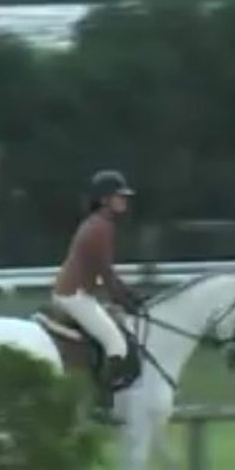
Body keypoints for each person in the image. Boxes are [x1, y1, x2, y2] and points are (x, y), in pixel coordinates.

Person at [52, 169, 144, 402]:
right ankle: (102, 401)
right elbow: (106, 273)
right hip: (75, 296)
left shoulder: (97, 223)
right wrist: (126, 300)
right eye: (119, 196)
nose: (124, 200)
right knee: (116, 345)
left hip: (76, 293)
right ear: (104, 199)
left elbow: (106, 274)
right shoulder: (101, 227)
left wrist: (128, 295)